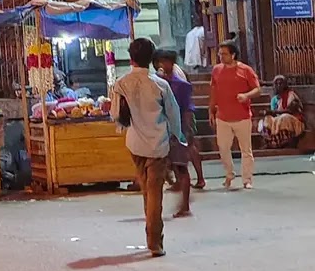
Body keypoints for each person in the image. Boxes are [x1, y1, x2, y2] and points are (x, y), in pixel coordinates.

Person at [111, 37, 184, 257]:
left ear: (131, 58)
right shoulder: (160, 85)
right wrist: (177, 136)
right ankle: (154, 241)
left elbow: (115, 114)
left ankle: (151, 234)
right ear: (152, 59)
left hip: (135, 144)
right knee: (154, 193)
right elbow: (173, 114)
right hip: (158, 145)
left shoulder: (121, 84)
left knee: (147, 190)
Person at [154, 47, 204, 198]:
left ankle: (190, 192)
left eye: (165, 61)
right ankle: (176, 183)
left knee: (182, 161)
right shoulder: (156, 83)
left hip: (180, 124)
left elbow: (187, 107)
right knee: (168, 161)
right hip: (162, 126)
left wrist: (187, 129)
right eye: (159, 62)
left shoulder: (181, 84)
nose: (162, 65)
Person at [209, 41, 259, 190]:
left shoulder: (245, 70)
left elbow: (257, 89)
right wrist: (211, 110)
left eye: (224, 54)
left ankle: (247, 179)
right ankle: (229, 174)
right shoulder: (216, 70)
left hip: (242, 116)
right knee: (223, 147)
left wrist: (246, 95)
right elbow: (213, 91)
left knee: (246, 150)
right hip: (223, 116)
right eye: (220, 54)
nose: (221, 57)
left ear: (233, 54)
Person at [259, 75, 305, 148]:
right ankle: (271, 142)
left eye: (280, 83)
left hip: (293, 120)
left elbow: (290, 111)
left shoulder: (291, 95)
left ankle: (286, 141)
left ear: (285, 85)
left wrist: (275, 112)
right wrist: (268, 113)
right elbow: (274, 114)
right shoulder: (274, 99)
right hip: (279, 118)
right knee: (267, 119)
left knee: (284, 117)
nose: (278, 85)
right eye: (276, 84)